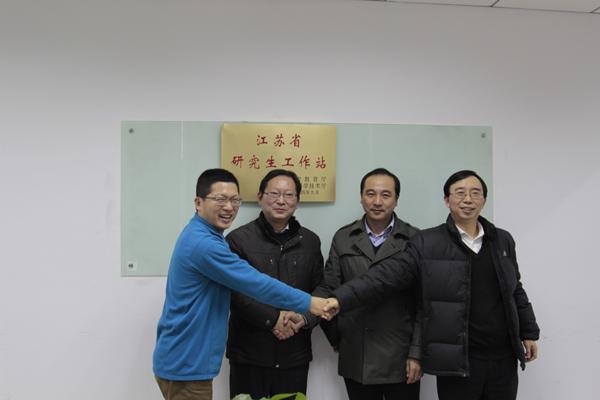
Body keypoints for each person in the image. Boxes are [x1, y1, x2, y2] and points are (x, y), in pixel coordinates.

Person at [323, 170, 540, 400]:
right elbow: (384, 276)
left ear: (484, 200)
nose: (468, 199)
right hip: (457, 359)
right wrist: (339, 299)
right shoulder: (428, 242)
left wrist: (528, 332)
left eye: (475, 193)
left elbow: (514, 288)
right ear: (447, 200)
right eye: (460, 193)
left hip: (503, 357)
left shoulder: (502, 240)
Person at [152, 168, 328, 400]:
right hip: (188, 361)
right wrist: (311, 303)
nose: (229, 207)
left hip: (190, 359)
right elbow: (254, 283)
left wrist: (304, 316)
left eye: (235, 200)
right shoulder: (205, 244)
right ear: (198, 202)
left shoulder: (207, 236)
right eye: (220, 199)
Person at [321, 168, 421, 400]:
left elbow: (423, 303)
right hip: (357, 354)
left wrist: (416, 353)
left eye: (385, 195)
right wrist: (339, 337)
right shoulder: (343, 237)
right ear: (361, 197)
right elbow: (329, 289)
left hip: (400, 356)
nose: (377, 201)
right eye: (370, 194)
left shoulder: (415, 239)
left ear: (396, 199)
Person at [225, 169, 323, 399]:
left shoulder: (311, 241)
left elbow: (321, 288)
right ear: (260, 197)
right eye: (274, 194)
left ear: (297, 201)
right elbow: (234, 293)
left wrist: (304, 319)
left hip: (294, 355)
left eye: (289, 195)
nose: (281, 201)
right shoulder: (238, 240)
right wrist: (274, 320)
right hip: (249, 355)